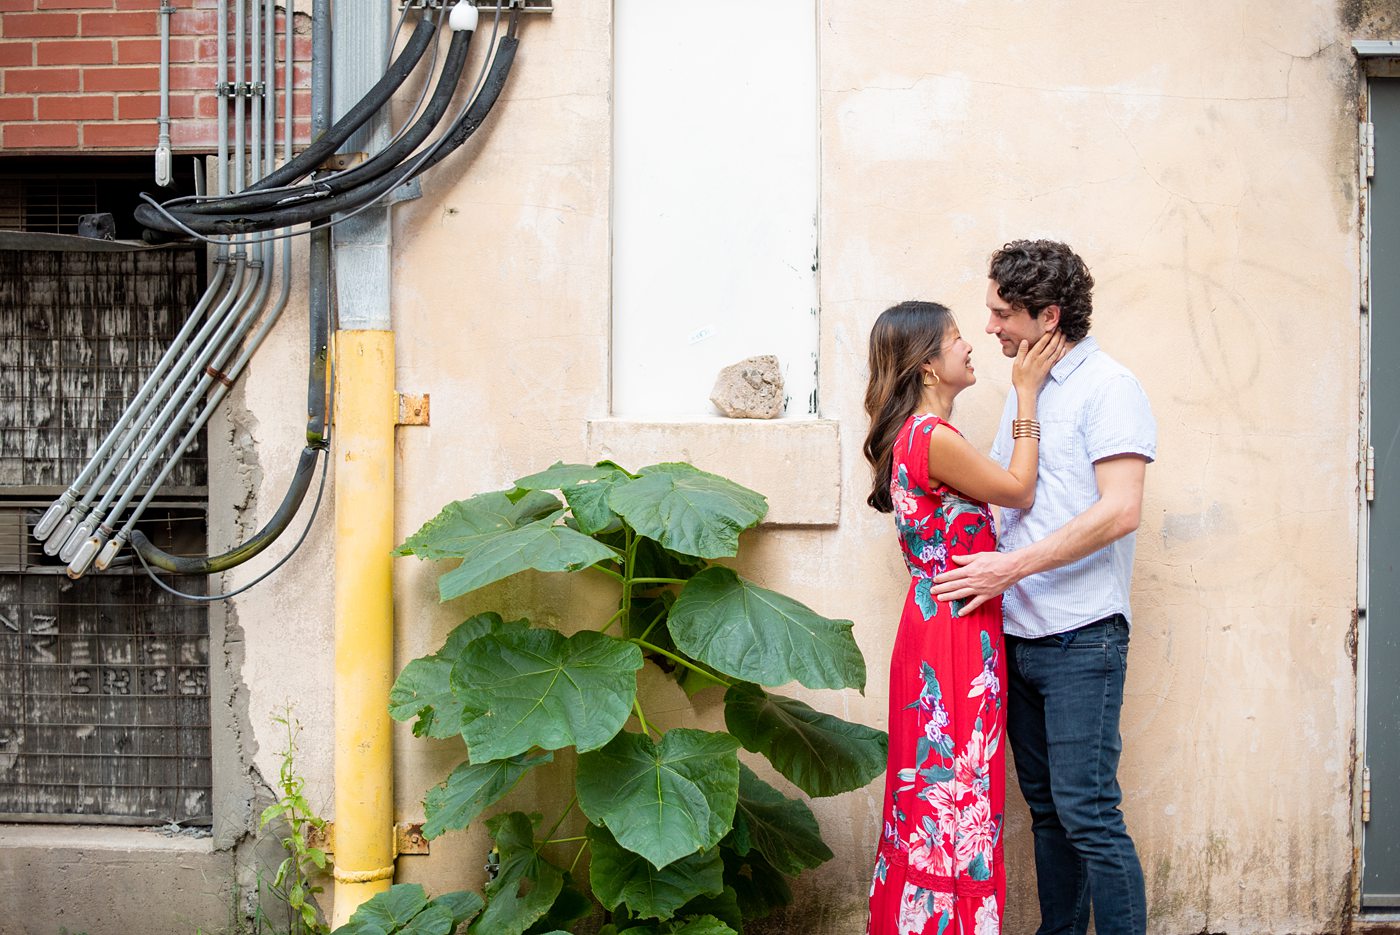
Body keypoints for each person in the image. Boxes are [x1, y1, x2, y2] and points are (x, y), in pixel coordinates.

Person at [931, 240, 1157, 935]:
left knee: (1088, 810)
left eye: (1002, 313)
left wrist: (1010, 567)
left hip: (1082, 636)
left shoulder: (1109, 386)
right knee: (1050, 810)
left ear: (1047, 314)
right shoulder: (1026, 390)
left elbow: (1121, 508)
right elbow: (1014, 498)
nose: (990, 326)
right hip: (1018, 638)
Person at [863, 299, 1064, 935]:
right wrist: (1026, 396)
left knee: (939, 794)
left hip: (945, 627)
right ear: (926, 366)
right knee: (954, 795)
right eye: (956, 339)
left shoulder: (920, 437)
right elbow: (1019, 490)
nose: (969, 345)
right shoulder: (931, 438)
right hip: (952, 638)